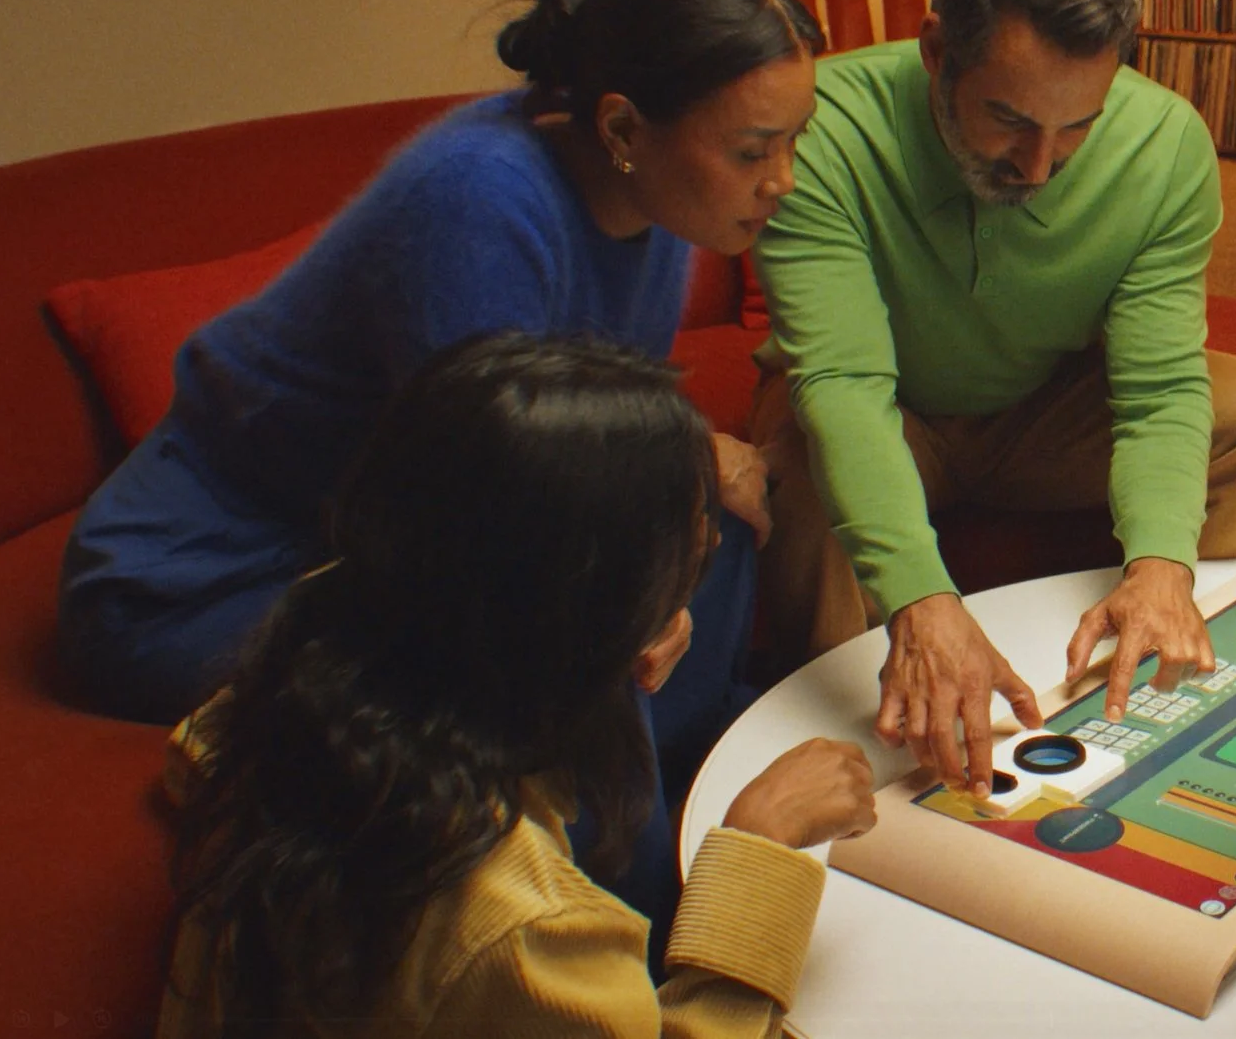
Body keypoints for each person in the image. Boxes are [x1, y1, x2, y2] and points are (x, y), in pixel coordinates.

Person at [58, 0, 822, 942]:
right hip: (194, 578)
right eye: (752, 151)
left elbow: (582, 440)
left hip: (401, 525)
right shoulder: (474, 203)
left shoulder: (657, 208)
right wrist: (639, 576)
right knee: (573, 644)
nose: (783, 180)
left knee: (719, 524)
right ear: (624, 125)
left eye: (794, 141)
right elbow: (495, 530)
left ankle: (697, 778)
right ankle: (646, 937)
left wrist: (687, 471)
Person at [751, 0, 1236, 798]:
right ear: (937, 52)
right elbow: (845, 385)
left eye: (1077, 127)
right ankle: (836, 765)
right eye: (1008, 120)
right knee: (802, 459)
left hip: (1043, 412)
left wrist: (1162, 565)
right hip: (887, 415)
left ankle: (1183, 673)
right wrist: (924, 603)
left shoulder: (1166, 142)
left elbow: (1161, 390)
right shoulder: (820, 126)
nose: (1039, 166)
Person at [158, 333, 876, 1033]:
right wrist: (759, 847)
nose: (714, 542)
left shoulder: (304, 679)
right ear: (591, 618)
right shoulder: (525, 928)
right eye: (686, 557)